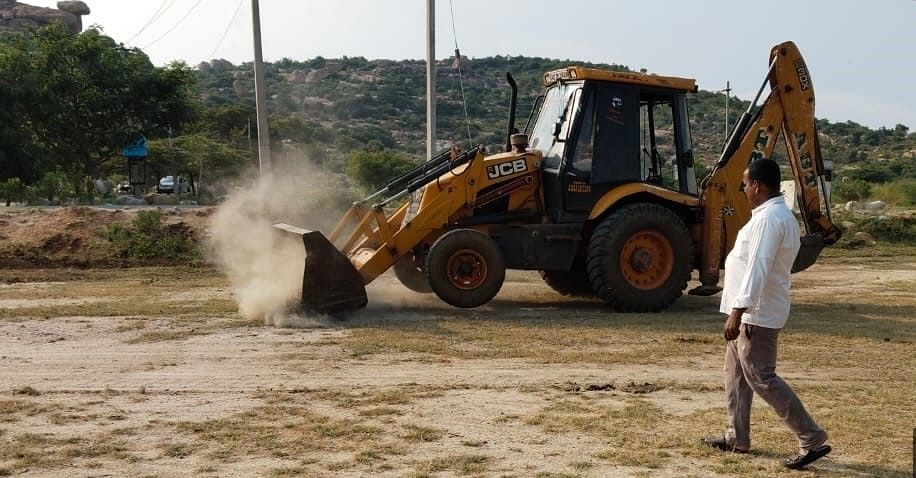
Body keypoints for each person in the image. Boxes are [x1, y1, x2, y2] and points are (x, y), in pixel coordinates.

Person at [702, 158, 831, 470]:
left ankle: (811, 438)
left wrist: (738, 310)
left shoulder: (769, 219)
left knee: (761, 377)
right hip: (749, 312)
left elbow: (758, 267)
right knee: (735, 376)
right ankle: (737, 436)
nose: (745, 190)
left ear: (756, 186)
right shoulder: (771, 215)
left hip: (755, 314)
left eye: (746, 185)